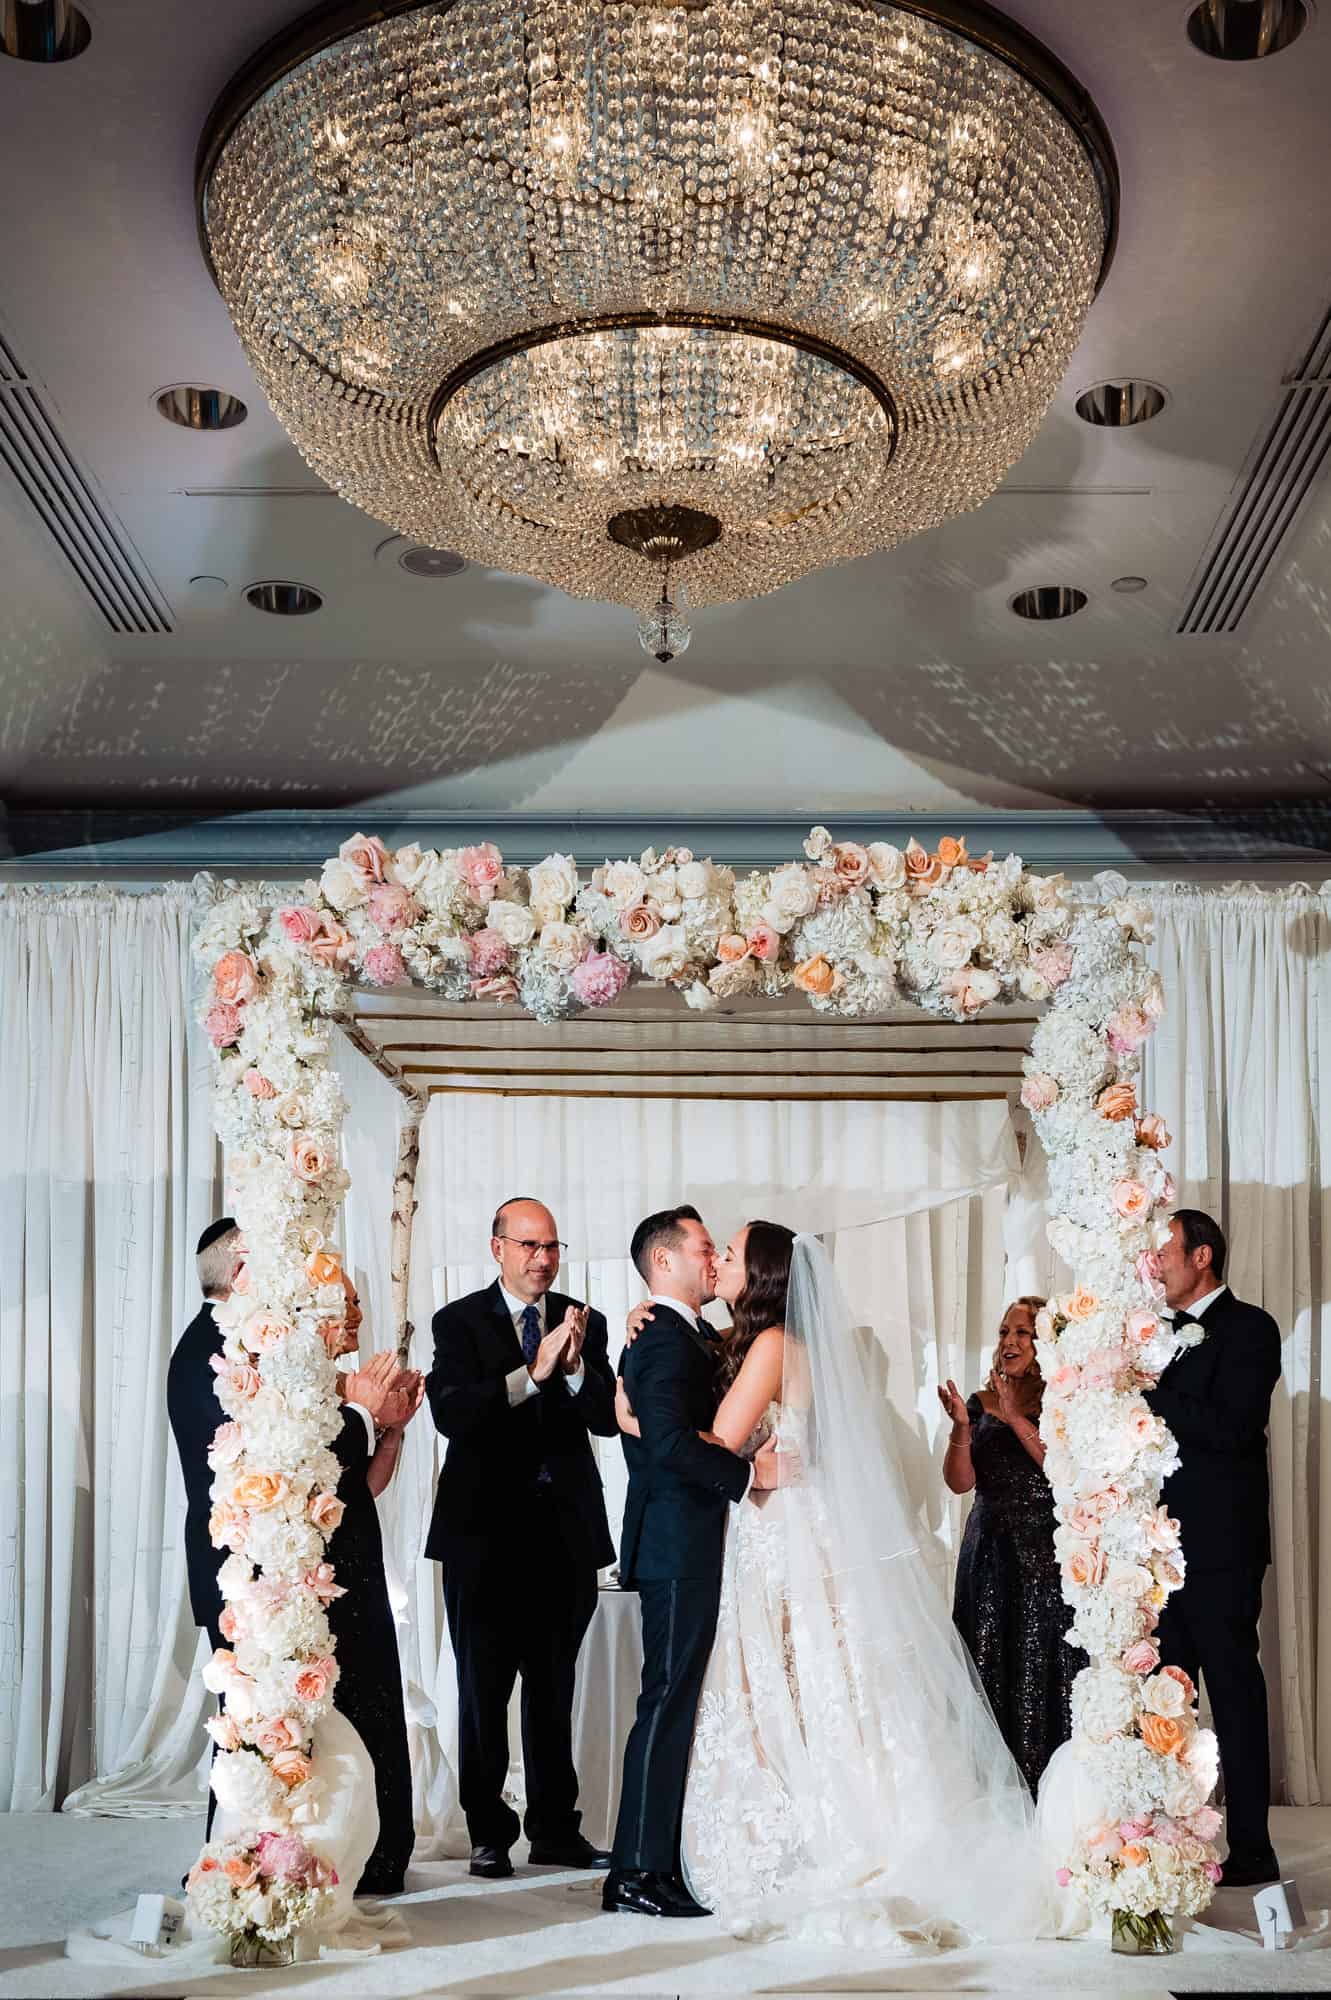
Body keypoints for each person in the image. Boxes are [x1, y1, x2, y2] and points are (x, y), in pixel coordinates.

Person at [635, 1224, 1046, 1944]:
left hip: (779, 1527)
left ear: (759, 1275)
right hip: (795, 1522)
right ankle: (833, 1805)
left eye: (729, 1255)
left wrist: (625, 1410)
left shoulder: (770, 1347)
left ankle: (807, 1821)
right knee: (816, 1675)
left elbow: (718, 1442)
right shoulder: (774, 1344)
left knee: (787, 1674)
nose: (718, 1262)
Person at [425, 1197, 618, 1879]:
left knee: (552, 1689)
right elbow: (451, 1413)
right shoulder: (457, 1322)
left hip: (563, 1535)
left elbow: (605, 1419)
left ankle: (555, 1830)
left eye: (553, 1246)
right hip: (481, 1537)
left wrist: (574, 1369)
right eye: (529, 1245)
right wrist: (530, 1376)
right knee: (482, 1691)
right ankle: (486, 1830)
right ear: (497, 1247)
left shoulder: (579, 1320)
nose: (543, 1259)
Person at [602, 1208, 787, 1921]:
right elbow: (671, 1445)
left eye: (721, 1252)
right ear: (665, 1262)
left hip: (693, 1541)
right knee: (666, 1699)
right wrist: (751, 1478)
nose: (713, 1261)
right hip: (674, 1544)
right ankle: (636, 1873)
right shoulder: (660, 1343)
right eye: (705, 1248)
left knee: (677, 1697)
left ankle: (651, 1860)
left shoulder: (684, 1335)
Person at [1146, 1208, 1282, 1888]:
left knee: (1230, 1693)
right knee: (1163, 1700)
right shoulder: (1147, 1333)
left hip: (1220, 1546)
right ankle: (1165, 1840)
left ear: (1201, 1256)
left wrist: (1146, 1393)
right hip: (1153, 1552)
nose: (1155, 1261)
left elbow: (1232, 1428)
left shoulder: (1248, 1328)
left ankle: (1252, 1847)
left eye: (1164, 1249)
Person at [941, 1296, 1084, 1796]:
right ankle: (991, 1795)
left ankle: (1049, 1793)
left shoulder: (1065, 1399)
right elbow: (960, 1482)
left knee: (1041, 1664)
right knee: (987, 1661)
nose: (1009, 1343)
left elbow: (1060, 1469)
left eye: (1022, 1333)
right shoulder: (980, 1402)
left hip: (1045, 1553)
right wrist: (963, 1428)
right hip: (988, 1552)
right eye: (1005, 1332)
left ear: (1045, 1343)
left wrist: (1013, 1413)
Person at [321, 1274, 425, 1897]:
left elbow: (366, 1485)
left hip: (361, 1553)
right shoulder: (312, 1388)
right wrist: (363, 1410)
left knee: (377, 1698)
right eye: (349, 1302)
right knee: (345, 1703)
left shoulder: (347, 1385)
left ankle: (386, 1851)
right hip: (322, 1567)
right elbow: (326, 1476)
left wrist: (393, 1429)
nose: (358, 1313)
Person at [166, 1217, 244, 1840]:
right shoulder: (210, 1354)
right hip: (233, 1562)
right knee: (243, 1722)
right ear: (241, 1268)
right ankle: (232, 1859)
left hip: (242, 1563)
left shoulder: (218, 1342)